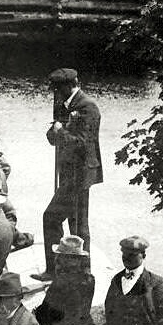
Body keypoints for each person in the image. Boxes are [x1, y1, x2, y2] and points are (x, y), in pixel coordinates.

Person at [43, 68, 101, 275]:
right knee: (65, 221)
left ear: (70, 86)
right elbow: (53, 139)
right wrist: (54, 132)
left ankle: (82, 272)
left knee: (74, 224)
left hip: (80, 174)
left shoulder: (88, 107)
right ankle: (57, 269)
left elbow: (84, 144)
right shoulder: (63, 104)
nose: (54, 94)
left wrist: (61, 131)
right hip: (67, 172)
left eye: (57, 89)